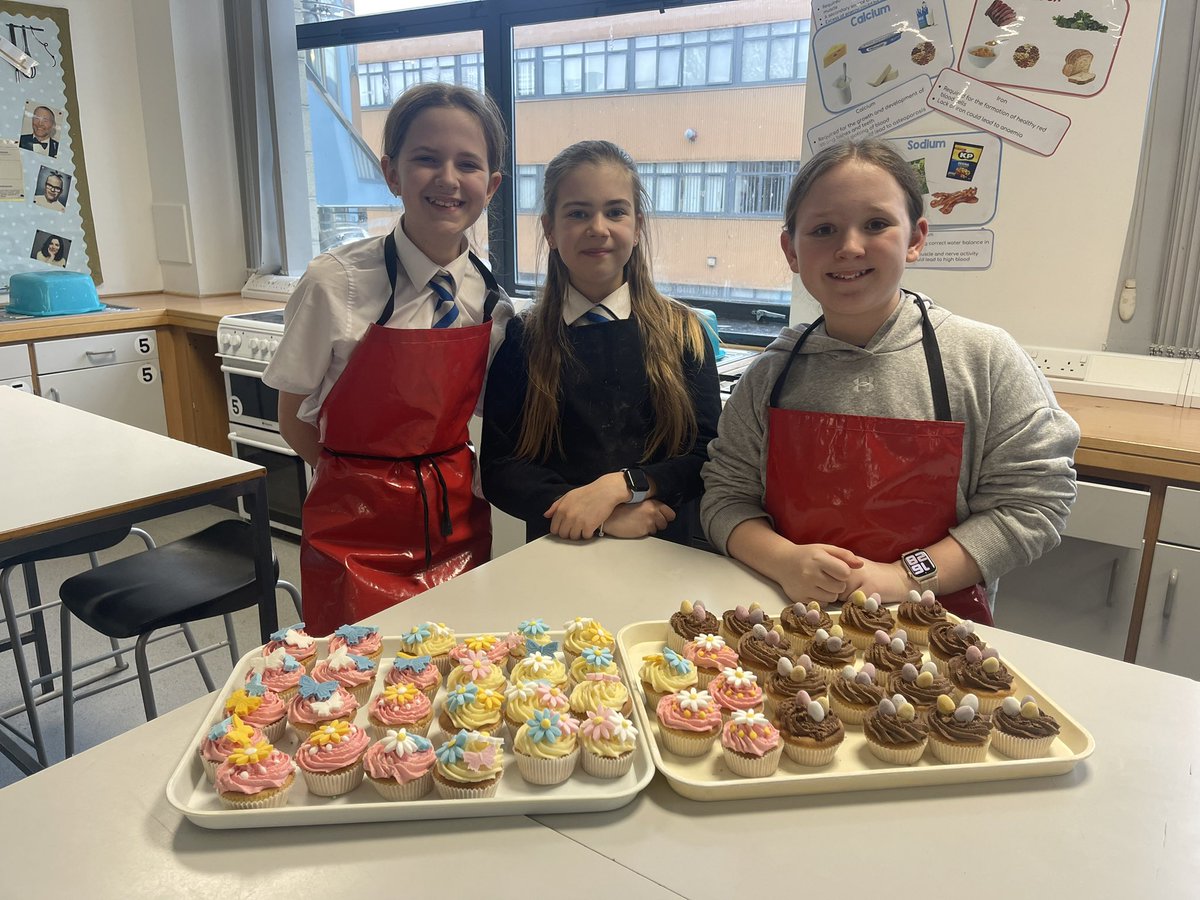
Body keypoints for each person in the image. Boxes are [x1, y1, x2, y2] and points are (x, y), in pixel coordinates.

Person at [700, 139, 1079, 624]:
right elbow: (724, 498)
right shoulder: (770, 374)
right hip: (786, 627)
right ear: (791, 250)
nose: (850, 247)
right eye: (823, 229)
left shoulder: (983, 360)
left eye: (876, 224)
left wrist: (904, 577)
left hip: (934, 639)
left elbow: (1032, 505)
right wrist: (784, 560)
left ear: (916, 238)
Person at [263, 82, 512, 637]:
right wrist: (354, 487)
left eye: (467, 164)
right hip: (354, 534)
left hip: (457, 523)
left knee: (461, 675)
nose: (448, 179)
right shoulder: (336, 284)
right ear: (392, 172)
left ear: (491, 185)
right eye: (426, 159)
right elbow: (291, 416)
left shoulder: (492, 304)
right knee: (360, 691)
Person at [482, 140, 721, 545]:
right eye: (577, 213)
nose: (598, 228)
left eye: (615, 212)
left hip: (664, 546)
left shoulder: (685, 333)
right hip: (558, 549)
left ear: (638, 227)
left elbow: (706, 454)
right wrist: (595, 515)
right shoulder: (523, 339)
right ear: (550, 230)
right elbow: (502, 468)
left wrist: (622, 487)